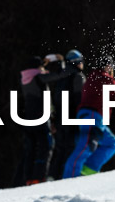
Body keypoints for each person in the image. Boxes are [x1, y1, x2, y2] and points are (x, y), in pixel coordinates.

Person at [62, 55, 115, 178]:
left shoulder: (92, 77)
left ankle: (87, 170)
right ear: (108, 66)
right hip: (92, 115)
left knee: (112, 143)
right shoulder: (105, 78)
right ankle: (69, 178)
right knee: (85, 146)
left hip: (93, 116)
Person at [15, 55, 73, 185]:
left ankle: (28, 178)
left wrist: (44, 65)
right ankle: (39, 177)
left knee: (30, 150)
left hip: (28, 120)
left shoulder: (25, 78)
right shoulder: (38, 78)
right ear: (38, 67)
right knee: (45, 148)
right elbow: (59, 75)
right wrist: (61, 62)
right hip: (41, 119)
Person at [49, 50, 86, 180]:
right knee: (71, 148)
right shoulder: (77, 76)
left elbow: (55, 98)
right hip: (71, 116)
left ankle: (53, 175)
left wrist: (53, 118)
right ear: (76, 62)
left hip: (59, 116)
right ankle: (65, 178)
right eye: (81, 61)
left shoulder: (61, 77)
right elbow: (79, 98)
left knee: (60, 148)